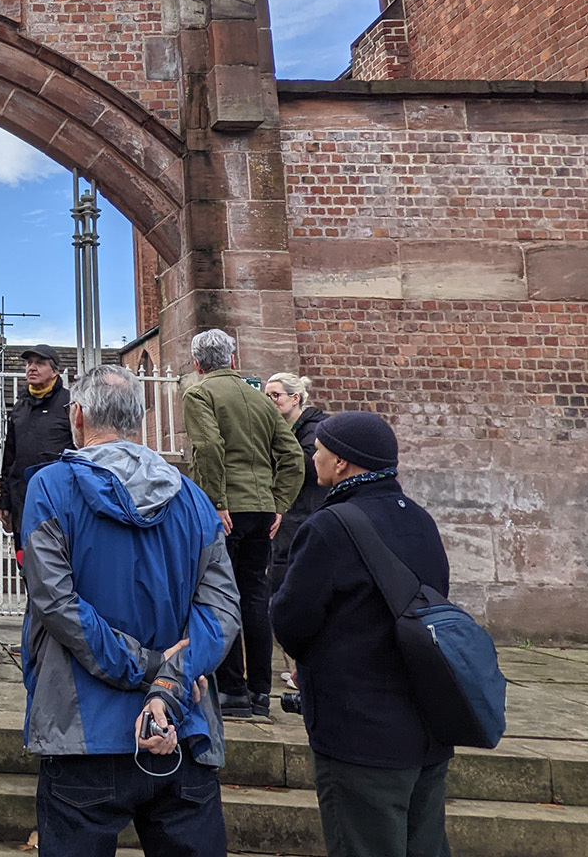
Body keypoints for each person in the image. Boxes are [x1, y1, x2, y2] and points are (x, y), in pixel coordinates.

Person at [21, 366, 238, 857]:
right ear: (140, 418)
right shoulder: (195, 499)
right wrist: (171, 680)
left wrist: (149, 668)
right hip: (180, 723)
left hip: (83, 730)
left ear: (76, 416)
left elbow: (56, 602)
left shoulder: (51, 487)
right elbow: (222, 611)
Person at [272, 411, 453, 857]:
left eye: (319, 450)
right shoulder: (420, 519)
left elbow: (292, 622)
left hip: (358, 731)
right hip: (426, 725)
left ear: (342, 464)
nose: (313, 457)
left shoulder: (329, 527)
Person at [181, 328, 304, 718]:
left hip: (226, 509)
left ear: (198, 364)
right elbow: (292, 455)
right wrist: (280, 502)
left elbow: (209, 446)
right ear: (233, 360)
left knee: (223, 596)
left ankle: (233, 691)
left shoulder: (199, 393)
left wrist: (215, 500)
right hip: (262, 509)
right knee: (254, 596)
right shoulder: (260, 398)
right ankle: (260, 694)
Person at [0, 345, 75, 548]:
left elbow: (82, 452)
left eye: (40, 364)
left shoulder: (70, 405)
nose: (31, 368)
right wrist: (4, 499)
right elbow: (10, 455)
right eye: (28, 363)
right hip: (22, 500)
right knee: (25, 563)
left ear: (55, 372)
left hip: (58, 500)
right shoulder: (20, 407)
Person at [264, 373, 329, 602]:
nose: (271, 401)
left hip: (306, 509)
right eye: (267, 396)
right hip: (287, 511)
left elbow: (307, 466)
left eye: (276, 395)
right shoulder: (278, 428)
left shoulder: (314, 427)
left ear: (296, 398)